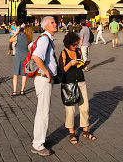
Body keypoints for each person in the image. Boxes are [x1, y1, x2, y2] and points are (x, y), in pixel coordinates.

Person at [59, 31, 96, 145]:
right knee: (70, 110)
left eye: (76, 44)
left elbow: (81, 65)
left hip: (80, 81)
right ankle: (71, 132)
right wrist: (70, 64)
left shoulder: (79, 51)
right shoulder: (64, 53)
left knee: (84, 107)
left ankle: (85, 129)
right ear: (68, 44)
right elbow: (61, 70)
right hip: (68, 84)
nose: (76, 46)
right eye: (74, 45)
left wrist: (84, 64)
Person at [31, 16, 58, 157]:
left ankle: (39, 139)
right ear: (46, 26)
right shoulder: (44, 39)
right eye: (52, 23)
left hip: (44, 79)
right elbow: (36, 56)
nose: (56, 24)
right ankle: (38, 144)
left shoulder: (47, 39)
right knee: (43, 113)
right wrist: (46, 71)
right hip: (43, 79)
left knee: (42, 111)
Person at [10, 25, 33, 96]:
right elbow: (29, 48)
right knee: (24, 74)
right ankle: (22, 90)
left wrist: (16, 33)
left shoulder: (19, 36)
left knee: (16, 74)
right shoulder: (29, 38)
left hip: (18, 57)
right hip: (25, 57)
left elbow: (10, 40)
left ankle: (14, 91)